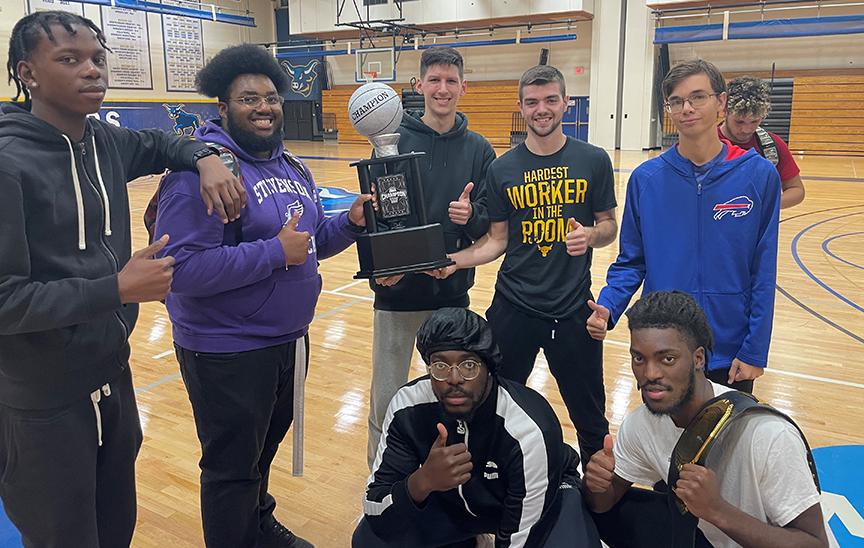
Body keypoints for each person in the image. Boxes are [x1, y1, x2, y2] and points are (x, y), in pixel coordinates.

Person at [0, 11, 242, 547]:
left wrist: (206, 157)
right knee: (64, 538)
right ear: (28, 73)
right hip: (42, 399)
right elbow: (5, 302)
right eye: (70, 60)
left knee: (116, 530)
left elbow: (164, 145)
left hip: (112, 373)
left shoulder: (103, 142)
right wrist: (116, 289)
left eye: (97, 59)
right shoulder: (8, 162)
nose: (92, 71)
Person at [154, 45, 370, 548]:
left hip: (287, 340)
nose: (264, 107)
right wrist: (274, 253)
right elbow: (180, 271)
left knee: (260, 454)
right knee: (231, 469)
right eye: (248, 98)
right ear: (222, 108)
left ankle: (257, 523)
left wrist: (351, 224)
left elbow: (308, 245)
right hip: (226, 348)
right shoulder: (200, 176)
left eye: (271, 97)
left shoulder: (292, 166)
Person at [434, 65, 618, 467]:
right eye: (532, 102)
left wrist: (590, 235)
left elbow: (609, 226)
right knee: (494, 405)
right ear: (520, 107)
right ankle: (493, 481)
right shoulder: (502, 169)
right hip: (513, 307)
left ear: (566, 102)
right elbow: (497, 239)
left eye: (551, 100)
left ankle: (603, 498)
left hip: (572, 310)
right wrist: (454, 262)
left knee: (589, 418)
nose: (542, 109)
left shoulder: (593, 160)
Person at [588, 59, 780, 393]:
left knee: (724, 443)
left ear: (721, 102)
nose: (686, 108)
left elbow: (763, 271)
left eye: (697, 97)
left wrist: (754, 350)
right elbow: (632, 261)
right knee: (661, 443)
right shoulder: (646, 180)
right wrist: (609, 305)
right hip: (662, 348)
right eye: (676, 101)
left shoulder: (758, 175)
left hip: (729, 350)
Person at [583, 291, 829, 548]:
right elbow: (604, 504)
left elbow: (815, 544)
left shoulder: (767, 435)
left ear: (698, 358)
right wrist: (597, 485)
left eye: (667, 359)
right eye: (639, 358)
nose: (650, 373)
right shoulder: (641, 424)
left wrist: (716, 510)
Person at [355, 308, 600, 548]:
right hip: (454, 504)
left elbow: (522, 539)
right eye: (440, 366)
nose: (454, 378)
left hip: (543, 499)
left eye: (469, 365)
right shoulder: (407, 407)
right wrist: (422, 481)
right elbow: (375, 509)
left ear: (489, 367)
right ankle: (469, 539)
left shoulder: (527, 428)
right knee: (369, 540)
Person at [366, 46, 496, 468]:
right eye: (434, 80)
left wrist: (471, 214)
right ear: (419, 86)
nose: (443, 89)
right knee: (385, 401)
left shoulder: (478, 149)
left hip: (450, 298)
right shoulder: (390, 141)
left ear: (463, 87)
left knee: (452, 400)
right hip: (397, 297)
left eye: (451, 81)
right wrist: (380, 274)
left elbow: (490, 225)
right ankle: (379, 487)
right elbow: (377, 216)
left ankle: (450, 487)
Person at [720, 75, 805, 209]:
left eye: (755, 121)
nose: (747, 129)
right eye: (739, 121)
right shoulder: (705, 142)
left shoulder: (772, 145)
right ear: (724, 111)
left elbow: (796, 190)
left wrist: (762, 207)